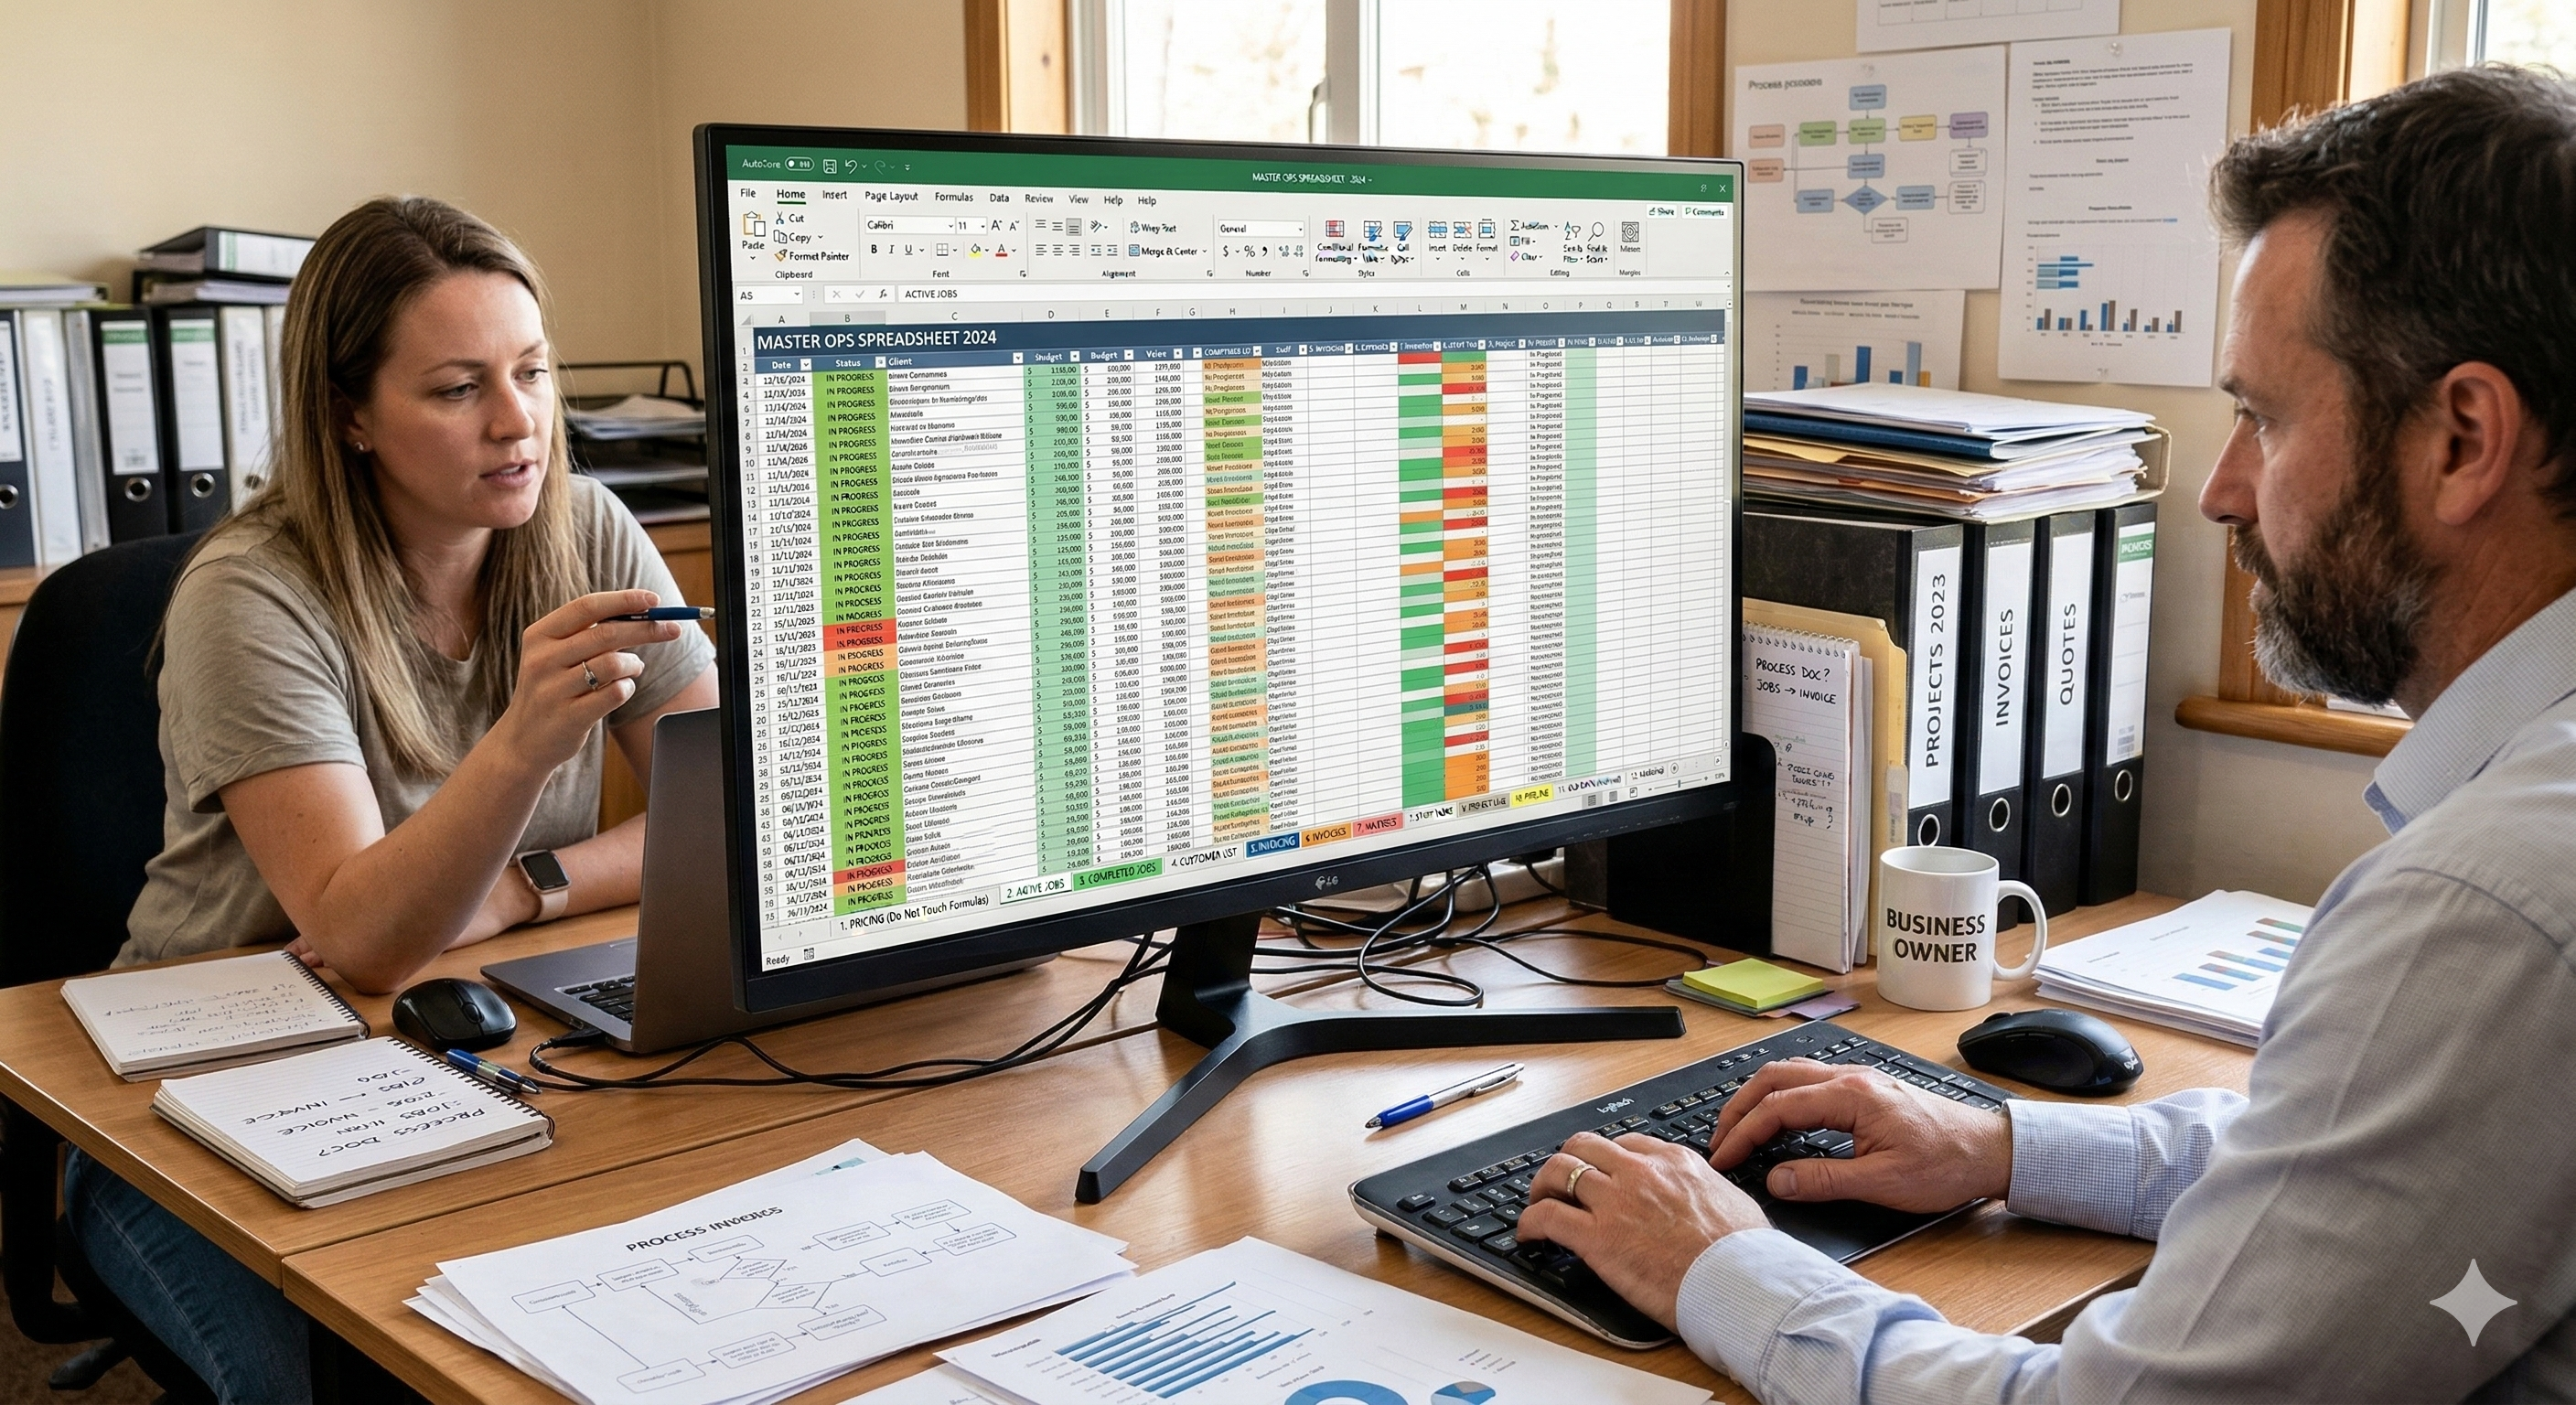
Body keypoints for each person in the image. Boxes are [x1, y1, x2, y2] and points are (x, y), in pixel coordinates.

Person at [1518, 64, 2576, 1403]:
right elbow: (2356, 1169)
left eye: (2262, 416)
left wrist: (1722, 1266)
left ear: (2464, 437)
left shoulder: (2485, 903)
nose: (2224, 494)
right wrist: (2006, 1147)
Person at [67, 196, 716, 1404]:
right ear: (349, 416)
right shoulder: (252, 594)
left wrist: (527, 892)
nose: (519, 423)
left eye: (531, 371)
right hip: (189, 1103)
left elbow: (727, 810)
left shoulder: (586, 528)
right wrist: (522, 745)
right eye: (458, 388)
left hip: (473, 1048)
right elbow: (364, 938)